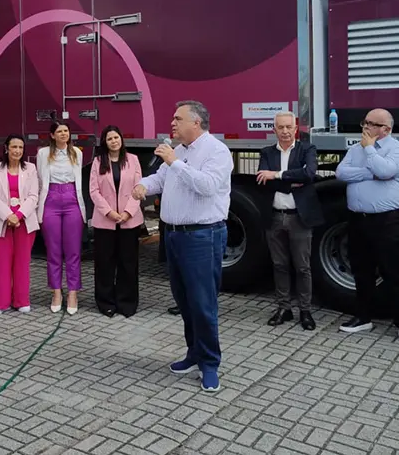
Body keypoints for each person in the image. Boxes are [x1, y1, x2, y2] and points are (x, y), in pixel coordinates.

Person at [133, 101, 232, 393]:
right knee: (185, 301)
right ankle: (194, 353)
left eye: (178, 119)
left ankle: (210, 363)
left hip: (202, 237)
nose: (172, 123)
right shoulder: (181, 152)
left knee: (203, 303)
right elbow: (160, 180)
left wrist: (174, 161)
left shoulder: (216, 151)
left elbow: (207, 187)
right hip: (174, 236)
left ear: (196, 123)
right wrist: (142, 186)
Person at [334, 108, 399, 345]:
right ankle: (363, 317)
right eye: (365, 122)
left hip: (387, 220)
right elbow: (341, 172)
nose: (365, 127)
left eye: (371, 123)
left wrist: (370, 151)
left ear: (386, 129)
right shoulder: (355, 149)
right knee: (361, 270)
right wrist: (369, 173)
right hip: (358, 219)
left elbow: (386, 170)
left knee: (394, 273)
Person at [256, 112, 322, 331]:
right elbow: (261, 180)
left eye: (288, 127)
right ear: (273, 129)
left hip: (299, 218)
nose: (284, 131)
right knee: (279, 265)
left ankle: (305, 310)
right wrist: (294, 179)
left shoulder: (307, 149)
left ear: (296, 129)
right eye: (280, 127)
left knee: (303, 267)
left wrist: (276, 176)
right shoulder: (266, 152)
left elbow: (310, 174)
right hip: (275, 217)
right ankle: (284, 308)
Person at [89, 125, 144, 318]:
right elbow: (94, 191)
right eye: (110, 138)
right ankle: (106, 303)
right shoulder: (98, 162)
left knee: (128, 263)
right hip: (106, 221)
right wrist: (110, 213)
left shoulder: (133, 160)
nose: (114, 141)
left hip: (129, 221)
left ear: (121, 139)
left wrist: (128, 212)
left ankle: (127, 302)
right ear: (104, 142)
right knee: (104, 263)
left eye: (116, 137)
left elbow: (139, 188)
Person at [0, 134, 40, 315]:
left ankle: (21, 300)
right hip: (1, 220)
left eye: (21, 147)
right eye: (14, 147)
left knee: (22, 261)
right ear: (6, 148)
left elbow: (33, 196)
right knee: (3, 262)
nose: (17, 151)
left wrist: (19, 215)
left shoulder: (31, 168)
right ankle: (1, 303)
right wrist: (9, 215)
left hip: (24, 221)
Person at [36, 120, 86, 315]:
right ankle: (56, 291)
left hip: (72, 199)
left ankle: (73, 292)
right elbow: (41, 179)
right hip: (51, 200)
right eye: (60, 131)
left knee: (73, 250)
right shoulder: (43, 154)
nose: (64, 134)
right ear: (52, 135)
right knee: (54, 250)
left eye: (66, 130)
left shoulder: (77, 153)